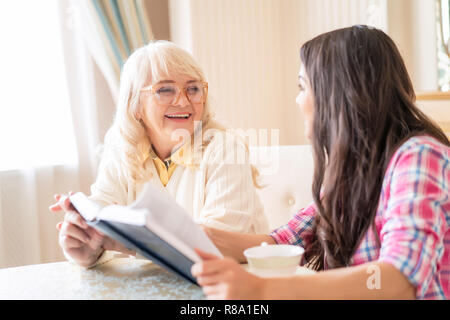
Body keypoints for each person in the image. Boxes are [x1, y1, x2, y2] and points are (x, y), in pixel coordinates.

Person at [191, 25, 450, 300]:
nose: (297, 99)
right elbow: (282, 241)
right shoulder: (355, 171)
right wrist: (196, 237)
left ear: (339, 92)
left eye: (303, 86)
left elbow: (398, 280)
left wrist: (263, 289)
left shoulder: (420, 156)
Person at [49, 40, 269, 268]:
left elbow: (216, 245)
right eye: (165, 90)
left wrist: (120, 242)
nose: (183, 101)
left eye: (193, 89)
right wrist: (85, 244)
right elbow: (104, 206)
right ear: (135, 105)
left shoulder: (224, 148)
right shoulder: (121, 145)